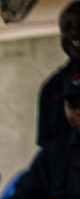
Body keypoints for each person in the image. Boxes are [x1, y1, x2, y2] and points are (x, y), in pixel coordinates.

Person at [37, 2, 80, 148]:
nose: (73, 34)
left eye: (79, 26)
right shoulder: (52, 88)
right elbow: (47, 150)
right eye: (66, 28)